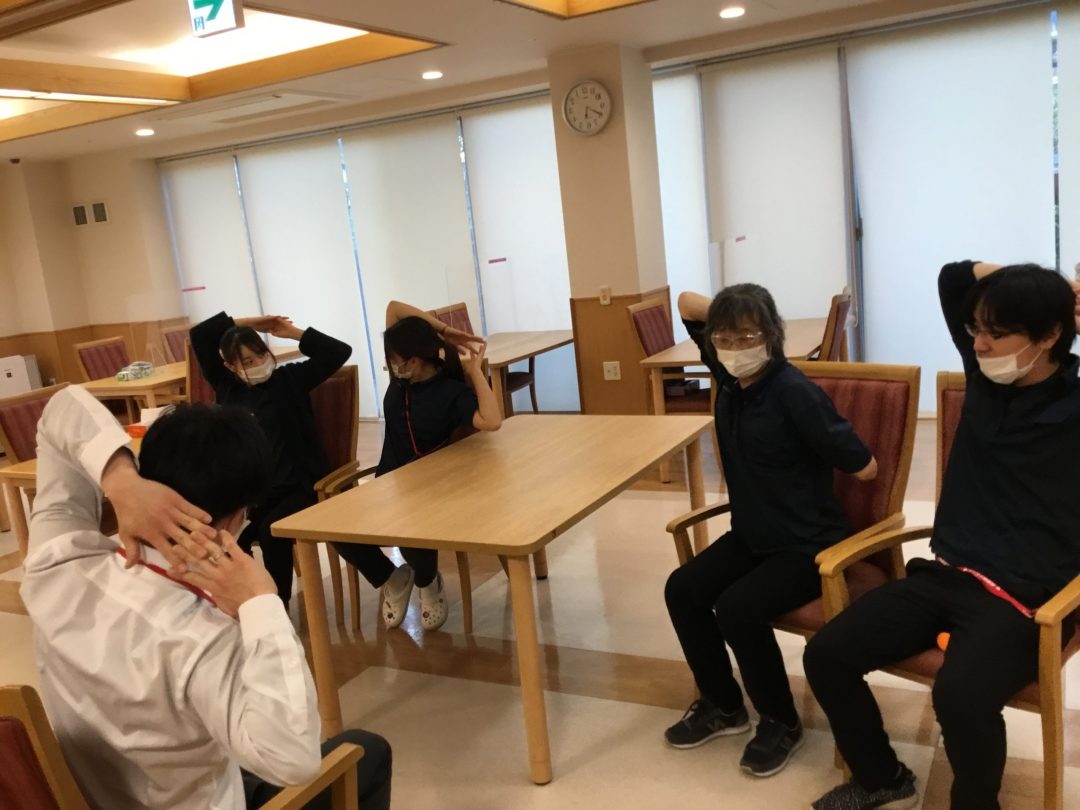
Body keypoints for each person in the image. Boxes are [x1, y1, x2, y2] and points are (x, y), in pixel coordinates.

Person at [20, 385, 392, 809]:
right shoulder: (204, 640)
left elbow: (63, 406)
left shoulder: (59, 565)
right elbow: (292, 760)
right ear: (236, 520)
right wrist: (261, 601)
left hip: (97, 794)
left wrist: (121, 481)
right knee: (367, 751)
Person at [805, 260, 1080, 810]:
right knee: (827, 655)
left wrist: (1050, 300)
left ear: (1050, 335)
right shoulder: (985, 378)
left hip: (1027, 598)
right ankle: (882, 779)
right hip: (949, 574)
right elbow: (954, 277)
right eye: (976, 329)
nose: (979, 344)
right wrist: (1044, 288)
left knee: (961, 697)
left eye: (997, 332)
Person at [664, 283, 877, 777]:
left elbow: (866, 467)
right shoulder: (730, 376)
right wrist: (735, 315)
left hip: (807, 544)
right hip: (754, 534)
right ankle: (724, 706)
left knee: (737, 608)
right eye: (725, 339)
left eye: (749, 338)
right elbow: (687, 303)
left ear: (772, 336)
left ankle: (781, 721)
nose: (736, 349)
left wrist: (812, 452)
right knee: (683, 589)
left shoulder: (795, 393)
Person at [332, 300, 501, 631]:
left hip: (429, 489)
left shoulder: (451, 392)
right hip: (387, 485)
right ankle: (392, 578)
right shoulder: (400, 383)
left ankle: (427, 582)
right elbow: (394, 308)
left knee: (407, 526)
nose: (391, 366)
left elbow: (491, 421)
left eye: (396, 361)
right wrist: (446, 330)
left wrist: (475, 372)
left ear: (415, 360)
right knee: (335, 525)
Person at [189, 312, 351, 606]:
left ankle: (278, 605)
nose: (258, 364)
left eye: (260, 355)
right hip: (256, 494)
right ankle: (246, 600)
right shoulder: (228, 388)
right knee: (228, 536)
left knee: (270, 532)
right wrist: (249, 323)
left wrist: (292, 332)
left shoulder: (289, 380)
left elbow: (338, 351)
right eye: (247, 362)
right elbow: (200, 335)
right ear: (231, 367)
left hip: (300, 486)